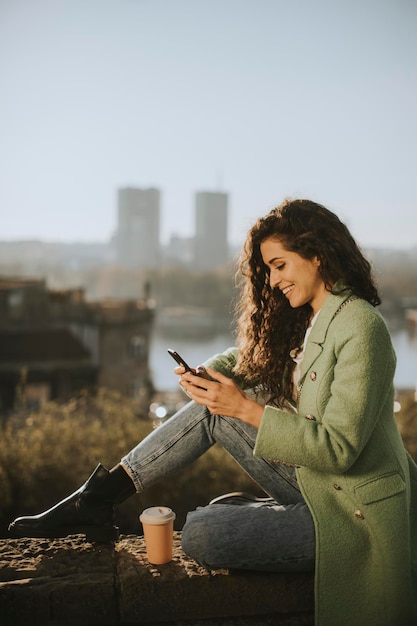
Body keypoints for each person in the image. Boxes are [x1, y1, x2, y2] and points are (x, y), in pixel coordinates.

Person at [9, 199, 417, 626]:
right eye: (269, 270)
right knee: (212, 410)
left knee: (202, 531)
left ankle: (113, 502)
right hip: (319, 484)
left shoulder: (362, 328)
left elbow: (338, 450)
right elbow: (248, 358)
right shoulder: (312, 319)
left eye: (280, 265)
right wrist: (210, 375)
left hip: (355, 514)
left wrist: (246, 408)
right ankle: (98, 497)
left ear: (317, 254)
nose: (274, 280)